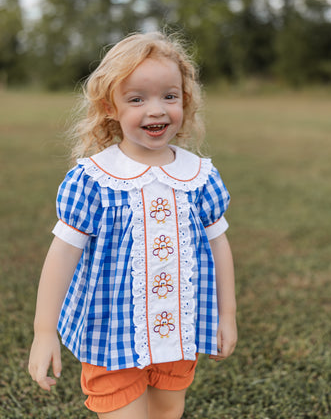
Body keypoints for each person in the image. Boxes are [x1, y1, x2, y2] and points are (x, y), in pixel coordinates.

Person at [28, 32, 237, 419]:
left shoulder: (199, 176)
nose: (155, 110)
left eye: (169, 96)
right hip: (111, 336)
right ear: (111, 107)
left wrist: (227, 316)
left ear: (184, 100)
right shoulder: (94, 179)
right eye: (137, 99)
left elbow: (218, 246)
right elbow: (62, 255)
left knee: (167, 412)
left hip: (178, 330)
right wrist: (44, 331)